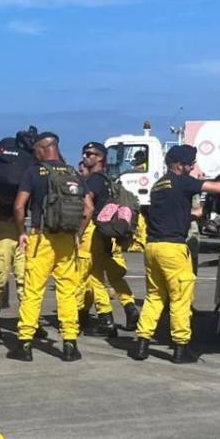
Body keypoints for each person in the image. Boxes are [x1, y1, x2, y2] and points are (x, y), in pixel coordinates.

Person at [131, 144, 220, 363]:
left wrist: (197, 214)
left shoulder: (158, 185)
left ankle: (142, 344)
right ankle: (181, 348)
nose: (192, 168)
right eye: (190, 164)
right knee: (180, 298)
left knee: (154, 297)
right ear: (179, 165)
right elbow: (218, 189)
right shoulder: (182, 181)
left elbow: (176, 212)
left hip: (153, 247)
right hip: (173, 249)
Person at [11, 132, 87, 362]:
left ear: (44, 149)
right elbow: (88, 209)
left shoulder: (34, 172)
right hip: (66, 238)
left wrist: (22, 233)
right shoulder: (73, 173)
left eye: (35, 151)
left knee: (33, 291)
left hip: (40, 237)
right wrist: (78, 234)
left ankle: (25, 343)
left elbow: (18, 206)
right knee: (67, 291)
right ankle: (70, 343)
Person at [77, 142, 139, 336]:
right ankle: (130, 307)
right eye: (84, 153)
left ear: (100, 157)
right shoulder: (107, 179)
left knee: (92, 276)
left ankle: (106, 320)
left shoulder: (94, 180)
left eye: (90, 154)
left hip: (92, 231)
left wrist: (78, 233)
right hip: (105, 231)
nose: (86, 156)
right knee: (112, 273)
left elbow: (88, 208)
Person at [0, 134, 36, 339]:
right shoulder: (27, 171)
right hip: (24, 229)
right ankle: (28, 321)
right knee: (25, 279)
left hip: (2, 228)